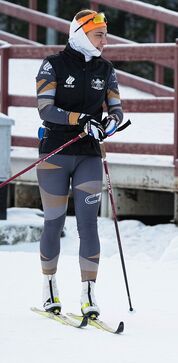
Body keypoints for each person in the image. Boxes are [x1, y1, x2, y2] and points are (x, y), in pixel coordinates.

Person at [35, 9, 123, 317]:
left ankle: (89, 294)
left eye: (105, 35)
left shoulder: (105, 68)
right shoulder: (53, 65)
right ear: (81, 33)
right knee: (54, 221)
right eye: (99, 35)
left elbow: (116, 109)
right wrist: (81, 119)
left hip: (88, 155)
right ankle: (49, 286)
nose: (104, 41)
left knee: (89, 224)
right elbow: (45, 109)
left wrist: (108, 124)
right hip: (54, 154)